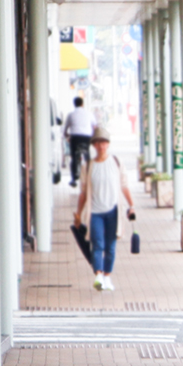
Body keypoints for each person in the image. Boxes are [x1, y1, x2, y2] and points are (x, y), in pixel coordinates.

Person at [74, 126, 136, 291]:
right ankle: (98, 276)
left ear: (108, 144)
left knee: (110, 247)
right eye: (98, 143)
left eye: (104, 142)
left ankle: (107, 276)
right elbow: (83, 192)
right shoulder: (88, 166)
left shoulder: (116, 162)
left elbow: (124, 186)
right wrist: (78, 214)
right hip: (95, 213)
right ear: (94, 145)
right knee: (97, 244)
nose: (101, 146)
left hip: (113, 212)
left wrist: (132, 206)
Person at [63, 96, 96, 187]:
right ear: (82, 104)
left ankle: (73, 179)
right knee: (87, 156)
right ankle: (90, 177)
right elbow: (94, 126)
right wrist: (93, 136)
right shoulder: (89, 114)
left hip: (75, 137)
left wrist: (66, 135)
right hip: (86, 137)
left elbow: (65, 128)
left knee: (73, 158)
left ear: (74, 104)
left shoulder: (70, 114)